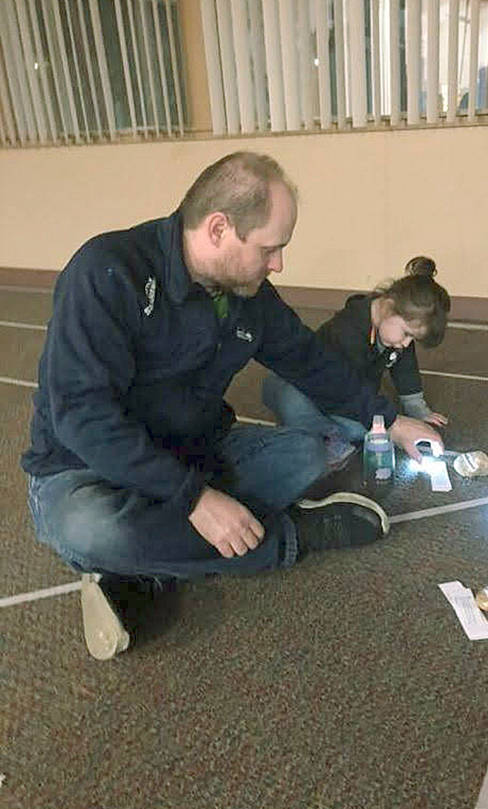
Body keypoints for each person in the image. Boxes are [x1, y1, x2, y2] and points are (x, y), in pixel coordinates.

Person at [21, 151, 442, 660]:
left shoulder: (248, 293)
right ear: (219, 229)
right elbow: (82, 419)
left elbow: (308, 360)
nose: (278, 264)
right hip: (85, 471)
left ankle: (149, 568)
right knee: (91, 528)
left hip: (196, 449)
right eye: (271, 248)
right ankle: (290, 537)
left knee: (307, 455)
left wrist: (391, 419)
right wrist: (196, 499)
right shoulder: (108, 272)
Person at [262, 256, 450, 469]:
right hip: (306, 389)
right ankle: (322, 434)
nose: (406, 344)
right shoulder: (346, 331)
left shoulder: (396, 335)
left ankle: (321, 431)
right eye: (407, 335)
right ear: (388, 307)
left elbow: (405, 371)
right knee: (291, 399)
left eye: (412, 339)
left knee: (362, 429)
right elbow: (337, 387)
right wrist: (384, 422)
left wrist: (418, 410)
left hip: (347, 397)